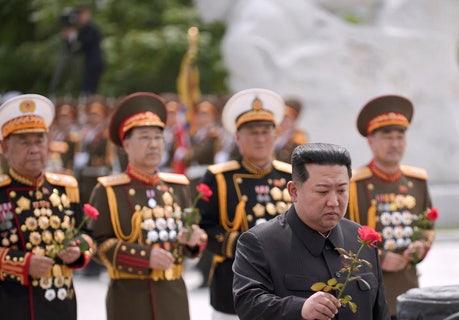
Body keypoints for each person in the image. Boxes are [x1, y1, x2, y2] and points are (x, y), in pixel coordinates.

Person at [233, 142, 390, 320]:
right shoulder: (260, 242)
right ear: (294, 191)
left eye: (341, 190)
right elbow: (247, 304)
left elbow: (380, 311)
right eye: (322, 191)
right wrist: (299, 308)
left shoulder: (361, 239)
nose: (333, 201)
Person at [89, 92, 207, 320]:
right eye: (144, 137)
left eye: (158, 137)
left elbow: (189, 243)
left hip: (173, 298)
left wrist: (194, 241)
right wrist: (143, 257)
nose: (153, 144)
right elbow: (96, 244)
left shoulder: (178, 186)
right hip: (130, 300)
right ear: (126, 143)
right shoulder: (108, 190)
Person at [197, 88, 293, 319]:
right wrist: (247, 247)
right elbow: (204, 228)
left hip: (285, 289)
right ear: (237, 137)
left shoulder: (291, 176)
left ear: (275, 135)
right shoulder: (219, 177)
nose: (260, 138)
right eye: (252, 132)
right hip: (234, 288)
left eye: (265, 131)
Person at [0, 94, 93, 319]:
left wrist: (78, 251)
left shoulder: (65, 187)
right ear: (4, 147)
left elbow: (87, 236)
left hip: (59, 302)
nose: (34, 149)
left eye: (39, 140)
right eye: (24, 142)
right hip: (12, 304)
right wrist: (22, 263)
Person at [348, 95, 434, 318]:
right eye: (387, 137)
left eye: (400, 137)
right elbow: (341, 236)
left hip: (408, 286)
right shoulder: (353, 184)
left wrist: (421, 246)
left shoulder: (417, 181)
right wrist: (380, 258)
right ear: (370, 141)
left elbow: (428, 226)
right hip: (368, 288)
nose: (395, 144)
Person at [74, 5, 105, 95]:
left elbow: (85, 45)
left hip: (94, 63)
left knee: (89, 89)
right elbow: (76, 50)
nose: (79, 18)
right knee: (87, 88)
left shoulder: (91, 28)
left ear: (88, 14)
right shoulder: (84, 29)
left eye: (81, 14)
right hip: (90, 63)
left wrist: (73, 37)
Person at [274, 97, 309, 163]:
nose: (282, 120)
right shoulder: (272, 132)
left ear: (294, 119)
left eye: (286, 117)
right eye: (280, 115)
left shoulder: (299, 138)